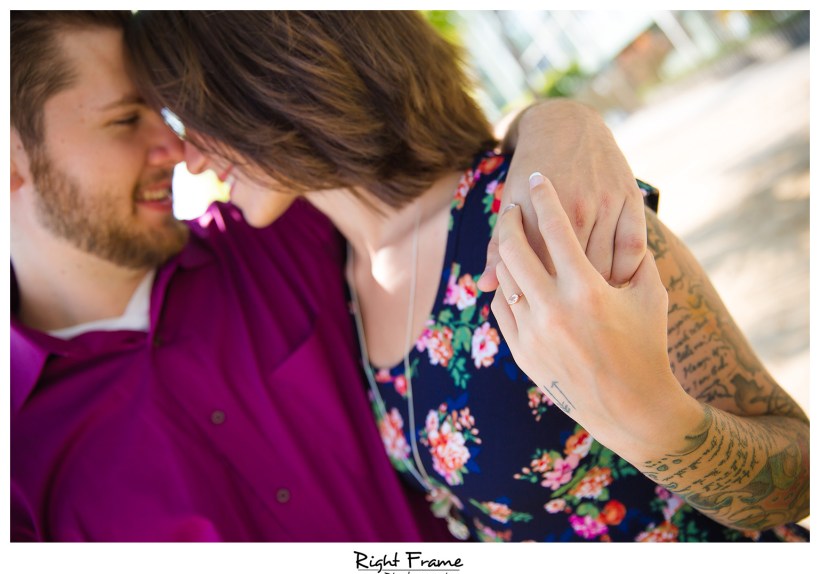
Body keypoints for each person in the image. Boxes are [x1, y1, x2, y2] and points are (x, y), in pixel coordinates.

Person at [125, 10, 809, 542]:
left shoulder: (530, 213)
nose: (185, 154)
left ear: (267, 84)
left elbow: (795, 468)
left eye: (191, 115)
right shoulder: (336, 275)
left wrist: (657, 418)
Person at [9, 11, 647, 542]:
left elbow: (418, 152)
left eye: (167, 116)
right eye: (126, 119)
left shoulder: (280, 235)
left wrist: (559, 122)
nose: (178, 150)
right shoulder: (21, 465)